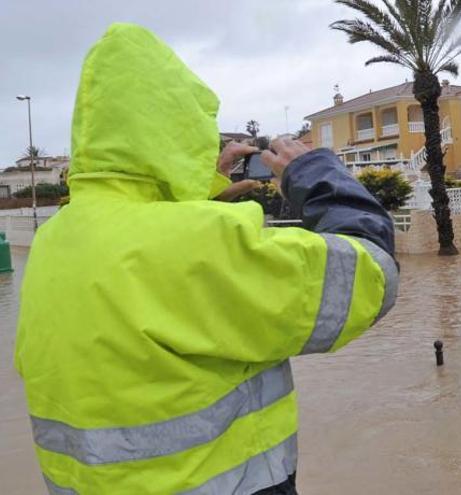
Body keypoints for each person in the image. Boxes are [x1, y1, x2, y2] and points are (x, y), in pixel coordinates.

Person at [14, 23, 398, 494]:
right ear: (180, 128)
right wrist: (315, 173)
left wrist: (197, 188)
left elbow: (143, 260)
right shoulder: (198, 241)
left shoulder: (54, 241)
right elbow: (369, 275)